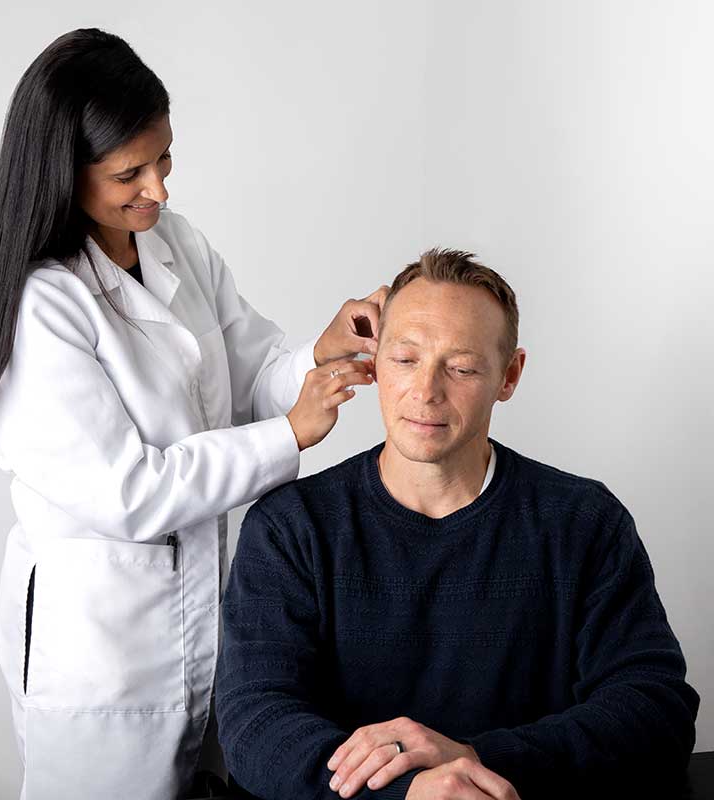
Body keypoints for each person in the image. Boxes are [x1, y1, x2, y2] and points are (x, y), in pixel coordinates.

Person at [0, 28, 387, 800]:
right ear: (63, 172)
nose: (159, 189)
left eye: (165, 159)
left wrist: (319, 357)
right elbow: (128, 492)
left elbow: (251, 373)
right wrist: (289, 433)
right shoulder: (36, 306)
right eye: (130, 173)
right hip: (106, 658)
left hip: (212, 631)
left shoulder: (173, 241)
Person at [216, 248, 700, 800]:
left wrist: (475, 759)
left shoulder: (583, 522)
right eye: (404, 360)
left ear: (508, 376)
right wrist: (409, 792)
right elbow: (256, 726)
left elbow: (654, 706)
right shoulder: (291, 527)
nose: (426, 392)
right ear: (374, 361)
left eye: (463, 367)